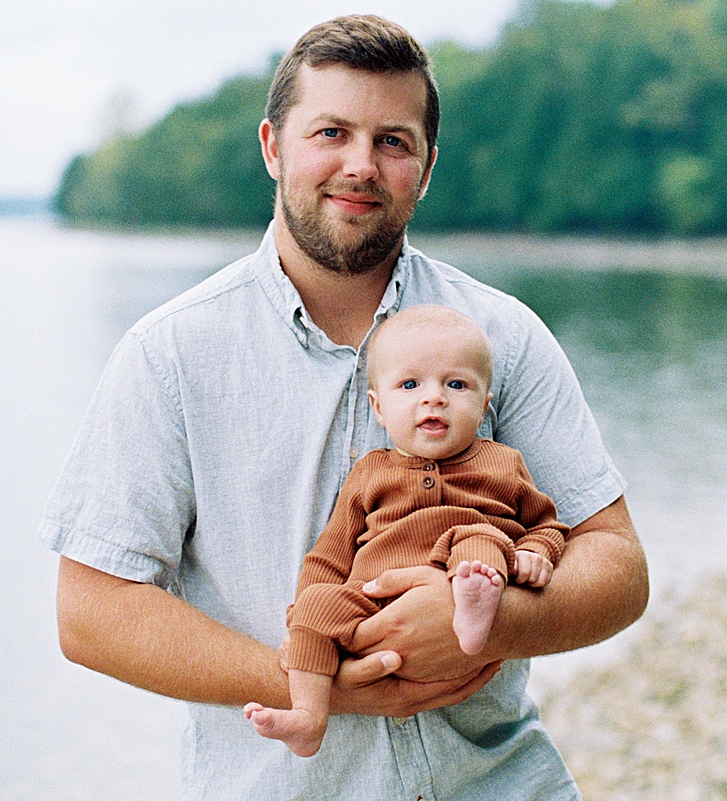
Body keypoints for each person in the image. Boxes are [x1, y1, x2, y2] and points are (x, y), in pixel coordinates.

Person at [40, 15, 647, 801]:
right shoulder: (170, 355)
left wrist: (497, 626)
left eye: (391, 141)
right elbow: (91, 611)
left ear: (425, 166)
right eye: (331, 133)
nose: (359, 164)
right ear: (274, 146)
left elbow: (616, 563)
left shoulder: (504, 336)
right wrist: (321, 680)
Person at [243, 305, 568, 758]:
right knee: (316, 604)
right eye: (410, 385)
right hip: (370, 599)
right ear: (378, 406)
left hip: (465, 569)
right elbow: (330, 554)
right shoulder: (370, 473)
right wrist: (305, 620)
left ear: (484, 403)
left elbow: (548, 525)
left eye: (456, 385)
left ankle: (474, 611)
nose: (433, 398)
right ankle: (308, 717)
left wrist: (535, 553)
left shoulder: (503, 462)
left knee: (477, 539)